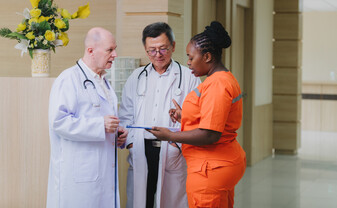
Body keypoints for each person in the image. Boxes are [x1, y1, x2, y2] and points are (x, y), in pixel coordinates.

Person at [149, 21, 246, 208]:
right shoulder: (221, 79)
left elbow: (210, 134)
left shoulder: (217, 84)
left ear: (207, 56)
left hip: (210, 169)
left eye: (191, 57)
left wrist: (169, 135)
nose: (188, 62)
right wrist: (184, 116)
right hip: (219, 164)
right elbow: (215, 117)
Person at [119, 22, 200, 208]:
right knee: (142, 201)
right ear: (145, 50)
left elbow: (198, 119)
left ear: (173, 46)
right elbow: (125, 115)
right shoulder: (136, 77)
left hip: (173, 150)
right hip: (141, 149)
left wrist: (177, 143)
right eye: (151, 50)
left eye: (163, 49)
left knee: (171, 201)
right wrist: (131, 142)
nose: (157, 55)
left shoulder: (190, 77)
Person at [47, 27, 128, 208]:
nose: (115, 54)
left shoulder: (103, 81)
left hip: (101, 174)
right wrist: (101, 125)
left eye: (115, 49)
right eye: (110, 50)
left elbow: (103, 120)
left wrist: (116, 133)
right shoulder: (69, 79)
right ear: (91, 51)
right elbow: (58, 122)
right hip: (79, 177)